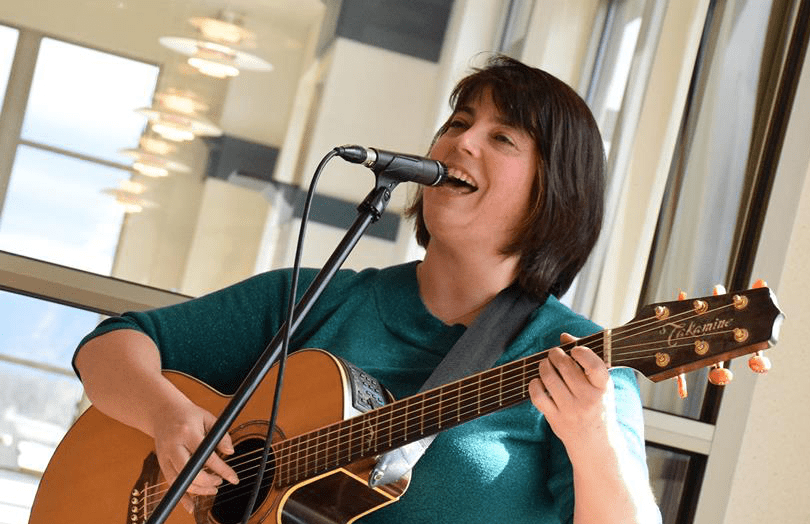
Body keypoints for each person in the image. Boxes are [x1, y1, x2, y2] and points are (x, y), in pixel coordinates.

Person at [73, 55, 661, 523]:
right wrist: (166, 416)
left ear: (553, 191)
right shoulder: (320, 297)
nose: (461, 141)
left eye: (502, 137)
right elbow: (111, 348)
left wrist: (592, 438)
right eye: (458, 123)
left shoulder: (583, 365)